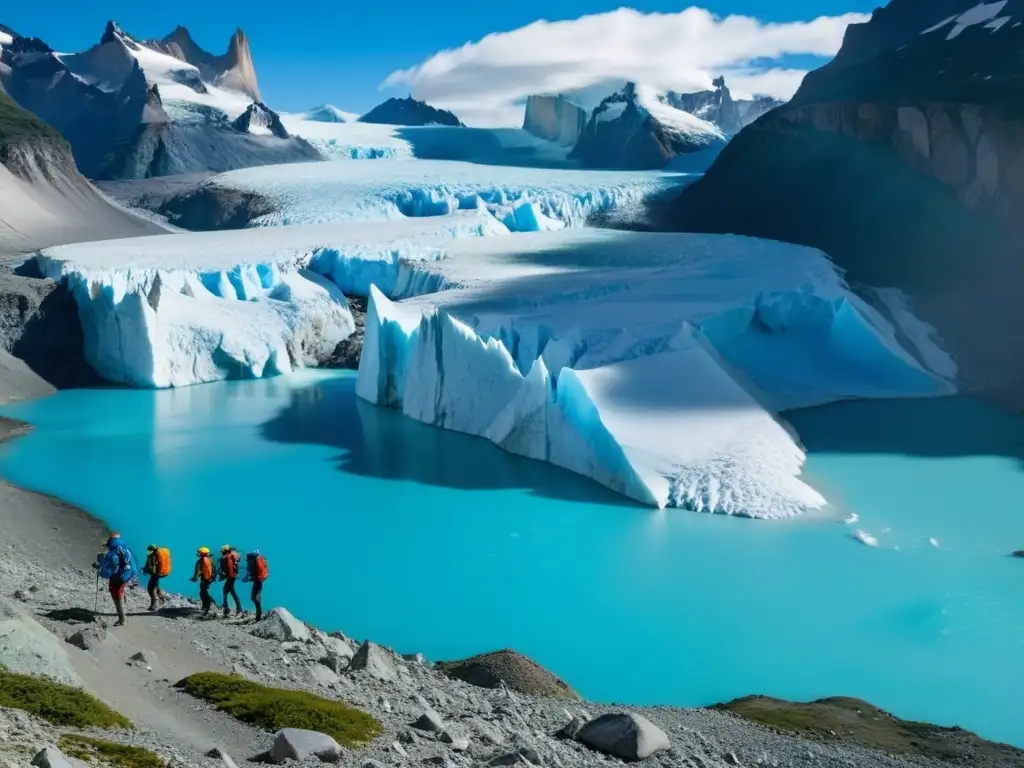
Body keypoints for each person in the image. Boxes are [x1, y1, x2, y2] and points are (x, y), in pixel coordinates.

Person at [96, 533, 136, 627]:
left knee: (117, 599)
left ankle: (122, 620)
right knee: (121, 588)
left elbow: (105, 573)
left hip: (118, 579)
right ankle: (123, 596)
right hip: (127, 574)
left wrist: (99, 567)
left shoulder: (111, 556)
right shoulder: (124, 548)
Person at [141, 545, 170, 612]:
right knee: (156, 586)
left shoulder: (152, 557)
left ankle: (154, 605)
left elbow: (153, 569)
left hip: (155, 574)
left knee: (151, 589)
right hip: (160, 573)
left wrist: (146, 570)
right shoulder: (157, 555)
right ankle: (162, 599)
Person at [243, 549, 268, 621]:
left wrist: (248, 579)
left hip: (258, 582)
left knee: (255, 598)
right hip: (259, 581)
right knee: (256, 598)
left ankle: (258, 617)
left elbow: (254, 575)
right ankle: (258, 615)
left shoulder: (254, 563)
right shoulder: (257, 561)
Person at [218, 545, 243, 618]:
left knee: (227, 591)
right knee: (231, 592)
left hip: (230, 577)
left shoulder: (227, 557)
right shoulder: (232, 556)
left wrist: (226, 575)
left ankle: (229, 609)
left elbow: (228, 567)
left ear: (224, 551)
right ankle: (233, 609)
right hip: (233, 576)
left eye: (222, 552)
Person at [190, 547, 215, 616]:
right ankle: (205, 607)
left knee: (203, 593)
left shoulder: (199, 561)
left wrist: (194, 578)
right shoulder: (210, 560)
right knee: (203, 591)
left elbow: (197, 572)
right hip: (209, 579)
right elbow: (212, 570)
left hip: (204, 579)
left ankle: (208, 606)